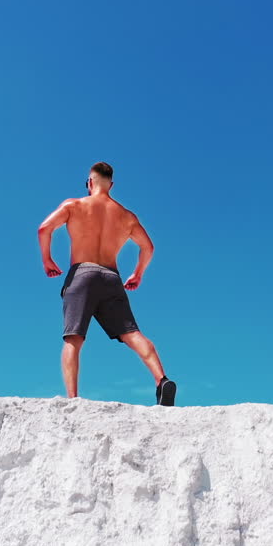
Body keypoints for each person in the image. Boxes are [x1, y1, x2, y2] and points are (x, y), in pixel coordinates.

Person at [36, 161, 176, 406]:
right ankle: (161, 379)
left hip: (82, 273)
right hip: (112, 277)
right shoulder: (126, 216)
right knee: (132, 333)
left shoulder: (74, 205)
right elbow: (148, 247)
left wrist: (47, 259)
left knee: (73, 339)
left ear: (90, 183)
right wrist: (138, 274)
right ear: (111, 185)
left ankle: (73, 399)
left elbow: (44, 228)